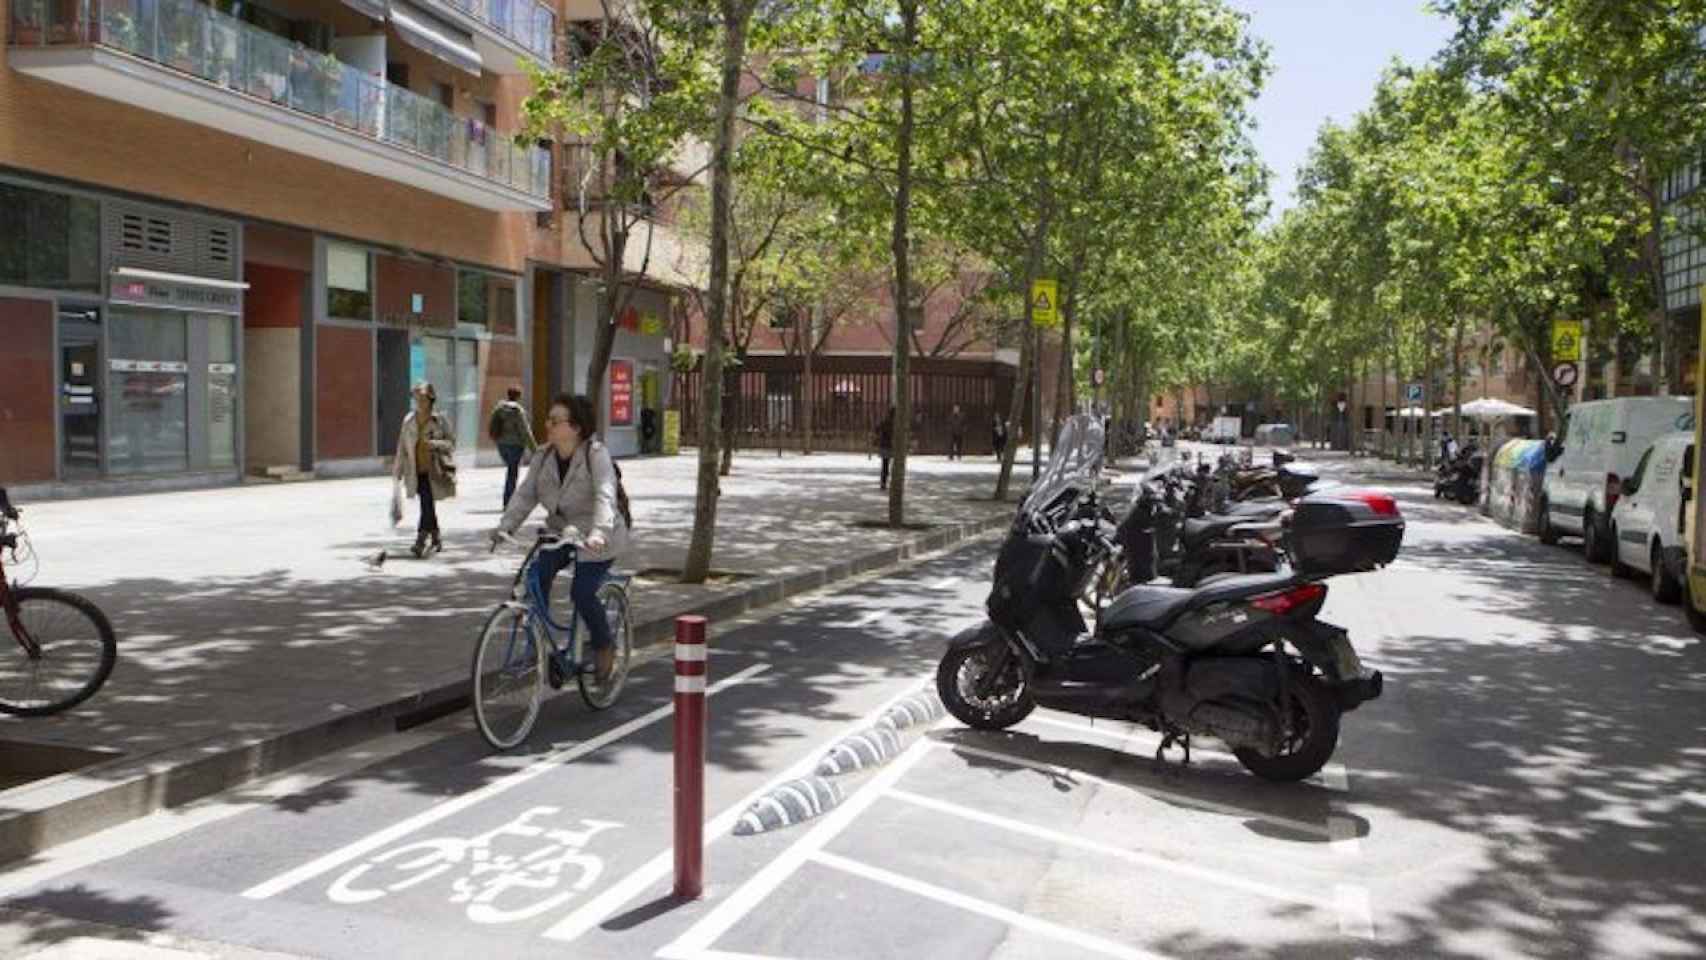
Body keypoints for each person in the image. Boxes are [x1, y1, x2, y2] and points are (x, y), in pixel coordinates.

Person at [490, 394, 628, 684]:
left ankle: (604, 646)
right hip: (561, 530)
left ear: (575, 428)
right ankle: (535, 647)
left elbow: (605, 494)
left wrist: (599, 533)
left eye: (555, 421)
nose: (548, 425)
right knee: (535, 578)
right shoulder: (543, 456)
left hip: (597, 533)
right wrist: (506, 527)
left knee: (582, 592)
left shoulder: (596, 454)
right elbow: (526, 494)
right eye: (548, 420)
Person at [393, 382, 456, 558]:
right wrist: (397, 470)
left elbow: (451, 444)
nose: (419, 401)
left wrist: (435, 444)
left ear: (431, 399)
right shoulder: (409, 420)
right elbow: (402, 447)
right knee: (426, 503)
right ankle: (435, 537)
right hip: (415, 470)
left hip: (434, 470)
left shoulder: (440, 420)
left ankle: (420, 541)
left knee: (426, 503)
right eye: (416, 398)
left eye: (423, 398)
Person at [488, 385, 537, 508]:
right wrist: (534, 449)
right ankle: (508, 501)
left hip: (501, 445)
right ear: (518, 396)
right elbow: (525, 430)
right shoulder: (517, 411)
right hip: (515, 445)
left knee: (510, 471)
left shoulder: (499, 408)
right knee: (512, 473)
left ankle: (508, 500)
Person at [874, 407, 896, 489]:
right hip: (893, 446)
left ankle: (883, 483)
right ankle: (893, 482)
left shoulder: (884, 421)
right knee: (894, 465)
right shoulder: (897, 423)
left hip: (885, 445)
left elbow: (876, 429)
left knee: (885, 465)